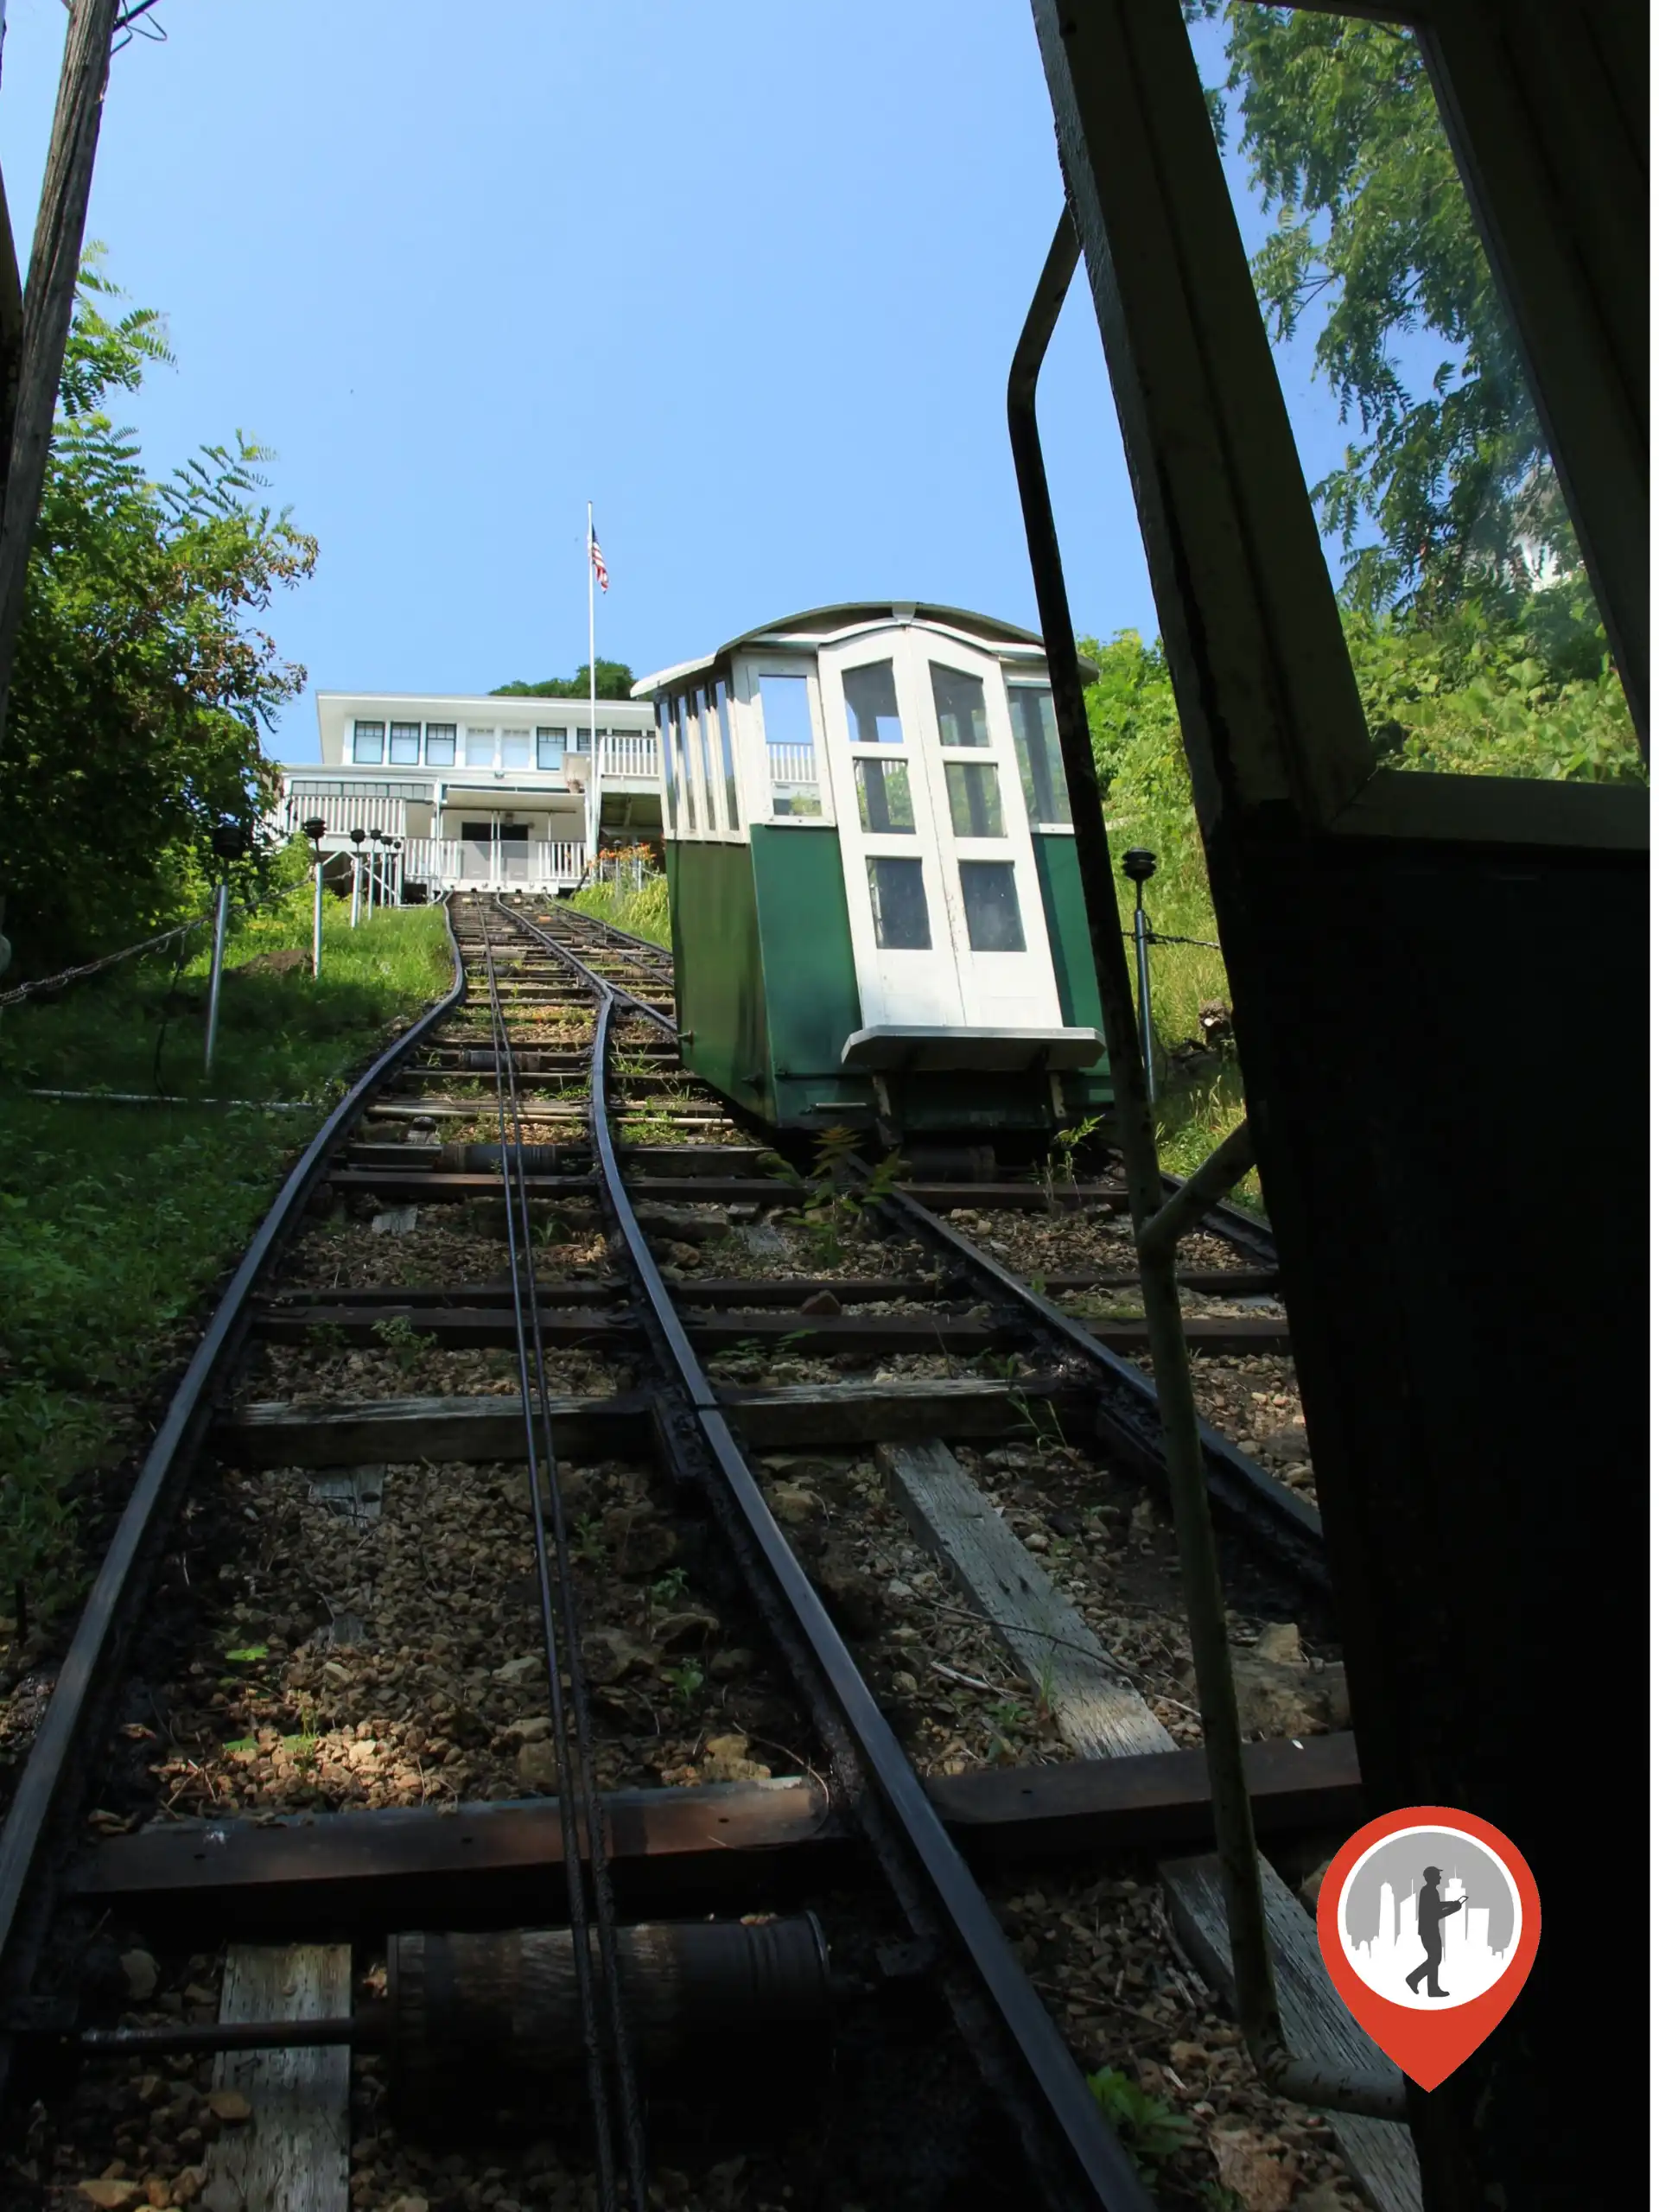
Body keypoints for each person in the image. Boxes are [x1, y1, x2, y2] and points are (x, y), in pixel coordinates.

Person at [1404, 1866, 1463, 1997]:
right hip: (1429, 1931)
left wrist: (1452, 1903)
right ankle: (1415, 1979)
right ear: (1432, 1877)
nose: (1440, 1877)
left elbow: (1436, 1905)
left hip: (1428, 1930)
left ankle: (1431, 1989)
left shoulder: (1429, 1890)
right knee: (1435, 1960)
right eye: (1438, 1875)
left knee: (1434, 1959)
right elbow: (1435, 1913)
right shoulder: (1429, 1891)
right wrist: (1453, 1909)